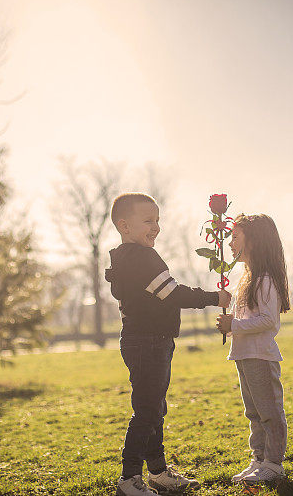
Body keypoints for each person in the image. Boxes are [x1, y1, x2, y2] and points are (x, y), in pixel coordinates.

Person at [105, 192, 231, 496]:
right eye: (148, 220)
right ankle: (129, 478)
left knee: (154, 408)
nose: (156, 227)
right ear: (124, 225)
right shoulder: (142, 258)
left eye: (158, 220)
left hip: (144, 341)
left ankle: (158, 472)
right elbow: (173, 294)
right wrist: (213, 298)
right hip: (148, 342)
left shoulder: (126, 258)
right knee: (147, 411)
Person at [216, 213, 290, 485]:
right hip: (244, 355)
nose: (230, 243)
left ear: (254, 241)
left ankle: (273, 463)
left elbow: (269, 320)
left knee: (269, 411)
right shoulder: (246, 277)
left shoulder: (265, 279)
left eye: (235, 237)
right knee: (254, 412)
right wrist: (230, 325)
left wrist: (233, 324)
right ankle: (258, 459)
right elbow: (245, 319)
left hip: (260, 355)